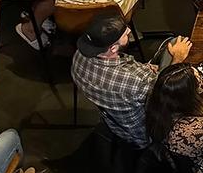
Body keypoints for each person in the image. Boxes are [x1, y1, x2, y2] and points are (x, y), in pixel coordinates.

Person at [71, 13, 191, 149]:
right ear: (113, 48)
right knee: (178, 52)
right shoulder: (134, 81)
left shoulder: (80, 55)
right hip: (145, 131)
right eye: (124, 33)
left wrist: (145, 68)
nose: (129, 30)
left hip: (116, 121)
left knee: (171, 44)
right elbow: (165, 91)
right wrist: (177, 59)